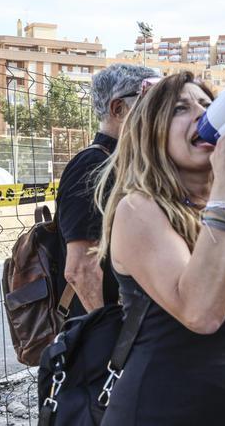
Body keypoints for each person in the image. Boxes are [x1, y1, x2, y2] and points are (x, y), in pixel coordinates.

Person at [96, 72, 225, 424]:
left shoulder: (224, 209)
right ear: (152, 132)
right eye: (181, 108)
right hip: (159, 412)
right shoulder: (139, 209)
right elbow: (202, 314)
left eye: (210, 107)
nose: (204, 116)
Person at [57, 63, 157, 316]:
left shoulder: (132, 163)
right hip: (113, 330)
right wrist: (108, 338)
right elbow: (80, 269)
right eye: (152, 102)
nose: (162, 112)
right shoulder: (91, 165)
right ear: (118, 108)